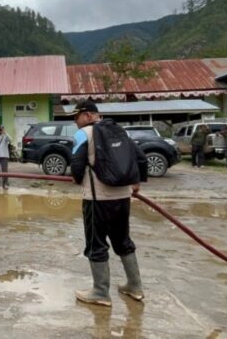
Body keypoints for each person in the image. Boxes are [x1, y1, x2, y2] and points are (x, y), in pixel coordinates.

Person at [69, 100, 147, 307]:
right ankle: (135, 286)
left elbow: (76, 163)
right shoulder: (120, 131)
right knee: (123, 240)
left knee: (96, 243)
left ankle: (100, 292)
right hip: (122, 197)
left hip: (97, 199)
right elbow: (140, 158)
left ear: (87, 115)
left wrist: (77, 179)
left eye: (76, 117)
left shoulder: (83, 134)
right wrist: (136, 183)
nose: (75, 121)